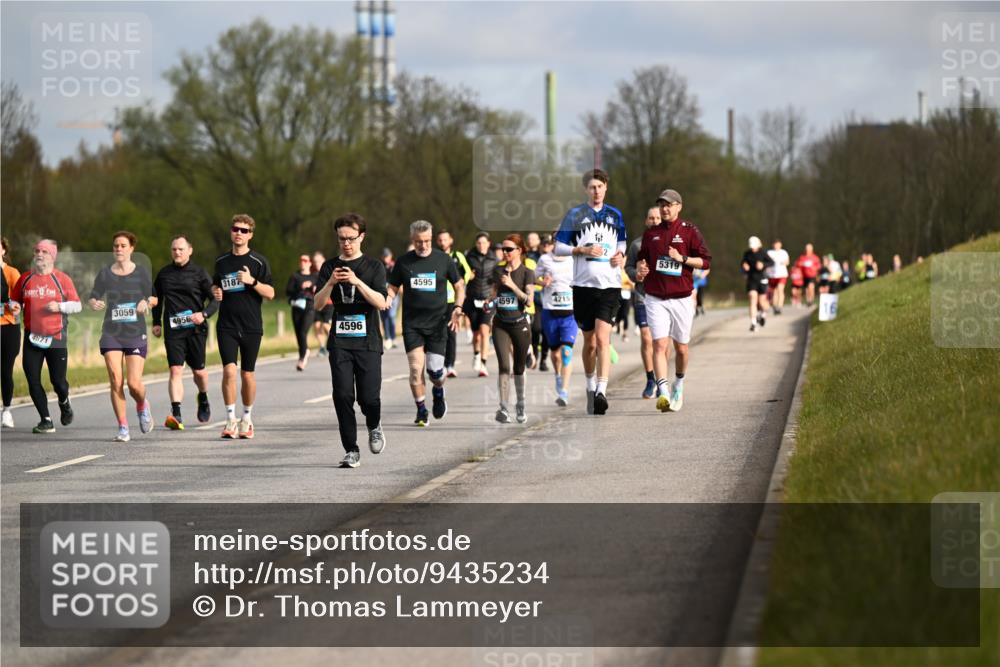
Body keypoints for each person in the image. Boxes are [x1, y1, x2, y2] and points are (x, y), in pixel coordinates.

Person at [315, 213, 388, 468]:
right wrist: (331, 282)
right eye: (341, 239)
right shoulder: (329, 267)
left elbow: (382, 302)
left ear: (362, 237)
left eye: (351, 238)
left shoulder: (374, 266)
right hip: (341, 343)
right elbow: (318, 303)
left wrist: (357, 281)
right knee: (342, 396)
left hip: (368, 341)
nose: (346, 243)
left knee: (369, 399)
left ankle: (374, 424)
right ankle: (351, 449)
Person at [554, 168, 627, 415]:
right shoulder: (575, 215)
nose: (596, 191)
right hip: (583, 287)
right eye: (592, 187)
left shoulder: (615, 215)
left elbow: (621, 245)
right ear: (586, 189)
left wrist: (621, 256)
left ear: (606, 187)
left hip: (609, 286)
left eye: (600, 186)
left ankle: (601, 392)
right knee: (590, 342)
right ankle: (589, 384)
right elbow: (558, 248)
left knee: (603, 339)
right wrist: (581, 250)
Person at [635, 188, 712, 413]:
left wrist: (683, 259)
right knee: (659, 344)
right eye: (662, 205)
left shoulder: (689, 231)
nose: (665, 208)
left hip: (681, 298)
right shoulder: (650, 234)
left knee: (682, 348)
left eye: (669, 204)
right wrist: (640, 270)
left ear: (679, 206)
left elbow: (706, 262)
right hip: (655, 297)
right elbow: (643, 262)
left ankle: (678, 383)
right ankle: (664, 392)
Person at [387, 220, 465, 426]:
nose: (424, 245)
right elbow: (392, 287)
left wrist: (457, 307)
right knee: (415, 369)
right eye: (419, 242)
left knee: (435, 372)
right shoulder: (403, 262)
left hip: (438, 323)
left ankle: (438, 391)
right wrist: (386, 299)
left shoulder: (443, 260)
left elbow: (459, 285)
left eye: (427, 241)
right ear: (412, 240)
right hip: (412, 324)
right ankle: (421, 410)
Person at [211, 214, 275, 439]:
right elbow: (216, 287)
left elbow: (271, 293)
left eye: (244, 230)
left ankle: (246, 418)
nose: (239, 233)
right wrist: (215, 292)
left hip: (251, 326)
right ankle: (230, 419)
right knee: (229, 370)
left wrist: (253, 282)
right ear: (231, 231)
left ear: (250, 235)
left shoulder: (258, 262)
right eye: (235, 229)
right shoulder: (221, 262)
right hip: (226, 325)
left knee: (247, 374)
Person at [89, 231, 157, 442]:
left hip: (135, 333)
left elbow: (154, 297)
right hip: (112, 333)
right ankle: (123, 427)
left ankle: (142, 405)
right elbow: (93, 295)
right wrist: (94, 303)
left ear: (131, 248)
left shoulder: (141, 273)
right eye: (116, 245)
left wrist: (147, 303)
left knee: (134, 384)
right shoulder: (105, 274)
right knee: (116, 380)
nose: (118, 249)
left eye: (123, 245)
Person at [8, 239, 80, 433]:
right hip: (32, 338)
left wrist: (60, 306)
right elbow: (15, 301)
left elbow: (77, 305)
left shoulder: (62, 279)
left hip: (56, 338)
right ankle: (45, 419)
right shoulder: (25, 279)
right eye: (37, 251)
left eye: (44, 252)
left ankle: (64, 402)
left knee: (58, 381)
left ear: (53, 256)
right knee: (32, 379)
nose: (39, 254)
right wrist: (14, 306)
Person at [151, 234, 216, 430]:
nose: (177, 252)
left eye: (181, 249)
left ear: (190, 250)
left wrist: (203, 314)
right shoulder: (164, 274)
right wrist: (156, 322)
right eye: (174, 249)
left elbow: (215, 300)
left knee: (199, 372)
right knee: (175, 370)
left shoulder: (199, 273)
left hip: (196, 330)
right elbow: (157, 300)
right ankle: (176, 413)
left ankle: (203, 396)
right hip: (173, 330)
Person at [489, 234, 535, 423]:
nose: (505, 252)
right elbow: (493, 294)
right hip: (500, 324)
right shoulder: (497, 271)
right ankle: (503, 408)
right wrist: (489, 302)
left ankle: (521, 404)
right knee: (503, 366)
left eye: (509, 249)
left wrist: (512, 285)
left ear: (520, 251)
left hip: (520, 324)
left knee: (518, 367)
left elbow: (529, 301)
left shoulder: (526, 272)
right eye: (503, 249)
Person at [625, 206, 662, 398]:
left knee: (663, 341)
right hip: (642, 295)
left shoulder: (671, 243)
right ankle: (650, 379)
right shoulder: (636, 245)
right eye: (651, 218)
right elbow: (628, 267)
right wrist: (636, 275)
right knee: (647, 337)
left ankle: (662, 379)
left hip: (665, 296)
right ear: (646, 221)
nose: (654, 221)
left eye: (657, 218)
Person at [535, 234, 575, 406]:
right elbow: (533, 279)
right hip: (550, 311)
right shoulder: (544, 259)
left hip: (570, 312)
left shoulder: (574, 259)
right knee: (555, 354)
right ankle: (558, 376)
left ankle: (564, 392)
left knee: (567, 352)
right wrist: (543, 283)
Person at [436, 229, 472, 378]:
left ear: (450, 240)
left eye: (446, 239)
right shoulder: (435, 257)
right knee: (438, 333)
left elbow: (468, 271)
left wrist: (463, 281)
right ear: (437, 242)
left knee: (451, 333)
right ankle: (440, 364)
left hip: (453, 300)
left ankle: (450, 365)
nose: (443, 242)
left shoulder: (458, 256)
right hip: (437, 300)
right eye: (440, 240)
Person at [463, 232, 498, 377]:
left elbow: (498, 278)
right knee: (476, 335)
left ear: (489, 243)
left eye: (484, 243)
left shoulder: (494, 259)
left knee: (485, 331)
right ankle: (476, 354)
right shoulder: (469, 257)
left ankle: (483, 364)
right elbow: (462, 274)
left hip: (487, 300)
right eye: (479, 243)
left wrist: (494, 292)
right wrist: (468, 276)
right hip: (472, 298)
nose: (481, 245)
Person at [1, 237, 22, 428]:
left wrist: (16, 306)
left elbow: (20, 299)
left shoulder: (11, 272)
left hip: (8, 327)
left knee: (5, 370)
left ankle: (7, 411)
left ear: (3, 251)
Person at [286, 254, 318, 371]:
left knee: (303, 331)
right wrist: (300, 287)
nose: (303, 262)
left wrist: (313, 286)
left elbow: (321, 288)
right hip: (297, 307)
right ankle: (304, 352)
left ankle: (303, 358)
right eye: (301, 260)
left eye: (305, 260)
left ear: (310, 263)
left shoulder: (315, 276)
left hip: (310, 307)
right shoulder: (295, 276)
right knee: (298, 333)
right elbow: (288, 291)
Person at [742, 236, 772, 332]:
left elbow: (771, 262)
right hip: (751, 279)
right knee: (752, 299)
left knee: (762, 303)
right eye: (751, 247)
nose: (753, 248)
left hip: (762, 279)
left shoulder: (763, 253)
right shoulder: (747, 254)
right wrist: (744, 265)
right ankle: (753, 323)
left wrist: (763, 265)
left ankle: (763, 314)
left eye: (754, 246)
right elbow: (743, 263)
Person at [311, 251, 333, 355]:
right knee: (316, 325)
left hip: (328, 303)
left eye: (319, 261)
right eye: (315, 261)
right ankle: (322, 347)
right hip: (317, 304)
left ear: (324, 260)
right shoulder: (313, 275)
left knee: (325, 325)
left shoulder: (328, 272)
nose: (317, 263)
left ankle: (334, 341)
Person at [380, 248, 398, 350]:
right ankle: (387, 338)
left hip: (393, 295)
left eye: (387, 256)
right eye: (384, 256)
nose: (386, 258)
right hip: (382, 295)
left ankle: (393, 337)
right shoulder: (379, 266)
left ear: (391, 256)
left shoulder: (394, 266)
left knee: (391, 316)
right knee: (384, 317)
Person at [766, 239, 790, 314]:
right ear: (773, 245)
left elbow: (787, 262)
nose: (776, 246)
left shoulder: (783, 252)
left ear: (780, 245)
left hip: (782, 274)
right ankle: (775, 306)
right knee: (774, 292)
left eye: (778, 244)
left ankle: (779, 307)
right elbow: (765, 262)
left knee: (780, 289)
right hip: (771, 275)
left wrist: (784, 262)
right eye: (775, 244)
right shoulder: (769, 253)